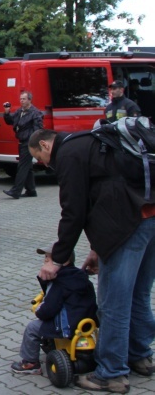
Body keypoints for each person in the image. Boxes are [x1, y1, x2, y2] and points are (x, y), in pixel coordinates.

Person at [28, 128, 155, 393]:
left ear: (45, 144)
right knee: (139, 294)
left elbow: (74, 211)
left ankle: (112, 374)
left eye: (39, 157)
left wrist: (57, 260)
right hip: (148, 215)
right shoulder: (89, 142)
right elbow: (102, 190)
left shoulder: (69, 155)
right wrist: (96, 249)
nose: (43, 164)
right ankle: (140, 356)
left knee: (113, 303)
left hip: (127, 225)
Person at [11, 243, 97, 375]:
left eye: (49, 258)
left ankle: (30, 363)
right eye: (45, 257)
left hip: (67, 325)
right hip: (85, 322)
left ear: (64, 261)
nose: (45, 260)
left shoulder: (60, 282)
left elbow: (49, 309)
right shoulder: (80, 277)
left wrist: (40, 311)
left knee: (32, 328)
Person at [2, 91, 44, 199]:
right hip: (21, 141)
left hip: (28, 142)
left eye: (24, 99)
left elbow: (38, 129)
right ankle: (31, 190)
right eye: (20, 99)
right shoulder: (19, 111)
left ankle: (16, 191)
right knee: (27, 167)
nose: (21, 101)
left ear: (30, 100)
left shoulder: (35, 113)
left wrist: (34, 142)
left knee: (22, 166)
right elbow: (10, 121)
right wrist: (7, 113)